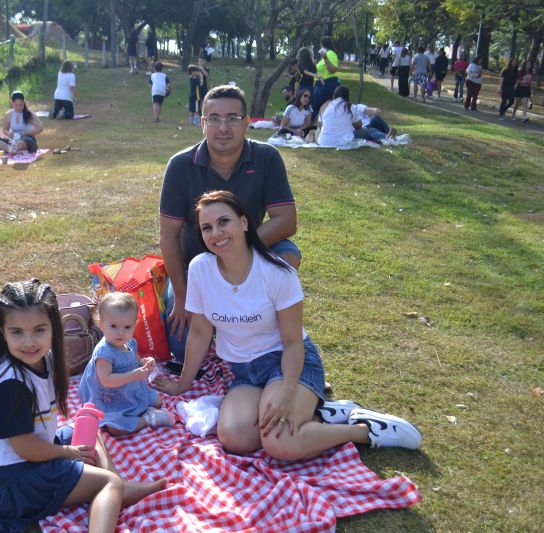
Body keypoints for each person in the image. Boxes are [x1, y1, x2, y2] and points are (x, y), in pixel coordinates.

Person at [154, 191, 423, 460]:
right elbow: (200, 331)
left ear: (244, 223)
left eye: (224, 221)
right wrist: (182, 384)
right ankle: (319, 415)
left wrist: (286, 390)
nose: (216, 233)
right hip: (243, 372)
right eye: (207, 227)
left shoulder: (277, 272)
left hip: (285, 362)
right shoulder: (201, 268)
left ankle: (364, 430)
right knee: (235, 438)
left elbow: (293, 342)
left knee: (279, 442)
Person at [0, 280, 167, 533]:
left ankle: (119, 488)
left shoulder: (45, 358)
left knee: (88, 425)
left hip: (30, 456)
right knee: (108, 484)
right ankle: (114, 486)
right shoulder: (10, 385)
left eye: (39, 330)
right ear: (2, 332)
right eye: (17, 332)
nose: (29, 342)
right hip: (11, 482)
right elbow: (26, 449)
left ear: (54, 326)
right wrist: (66, 453)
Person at [159, 84, 300, 361]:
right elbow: (168, 237)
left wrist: (234, 248)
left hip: (248, 259)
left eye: (232, 118)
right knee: (181, 347)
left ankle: (251, 316)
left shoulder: (266, 157)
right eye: (214, 119)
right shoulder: (180, 165)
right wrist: (184, 297)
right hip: (196, 267)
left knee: (288, 254)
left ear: (247, 123)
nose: (223, 127)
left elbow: (286, 221)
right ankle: (228, 315)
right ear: (203, 123)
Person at [78, 293, 176, 436]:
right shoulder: (104, 352)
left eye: (127, 327)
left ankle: (145, 410)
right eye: (113, 326)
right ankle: (149, 419)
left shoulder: (129, 343)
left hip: (131, 390)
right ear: (101, 324)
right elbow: (106, 380)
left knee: (158, 401)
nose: (121, 332)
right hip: (111, 399)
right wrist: (134, 376)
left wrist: (146, 363)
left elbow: (137, 362)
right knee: (115, 428)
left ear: (134, 325)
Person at [311, 36, 340, 120]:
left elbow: (332, 70)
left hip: (327, 85)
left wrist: (326, 58)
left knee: (325, 110)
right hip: (319, 85)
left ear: (323, 44)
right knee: (314, 109)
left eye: (321, 44)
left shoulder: (331, 54)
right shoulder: (324, 55)